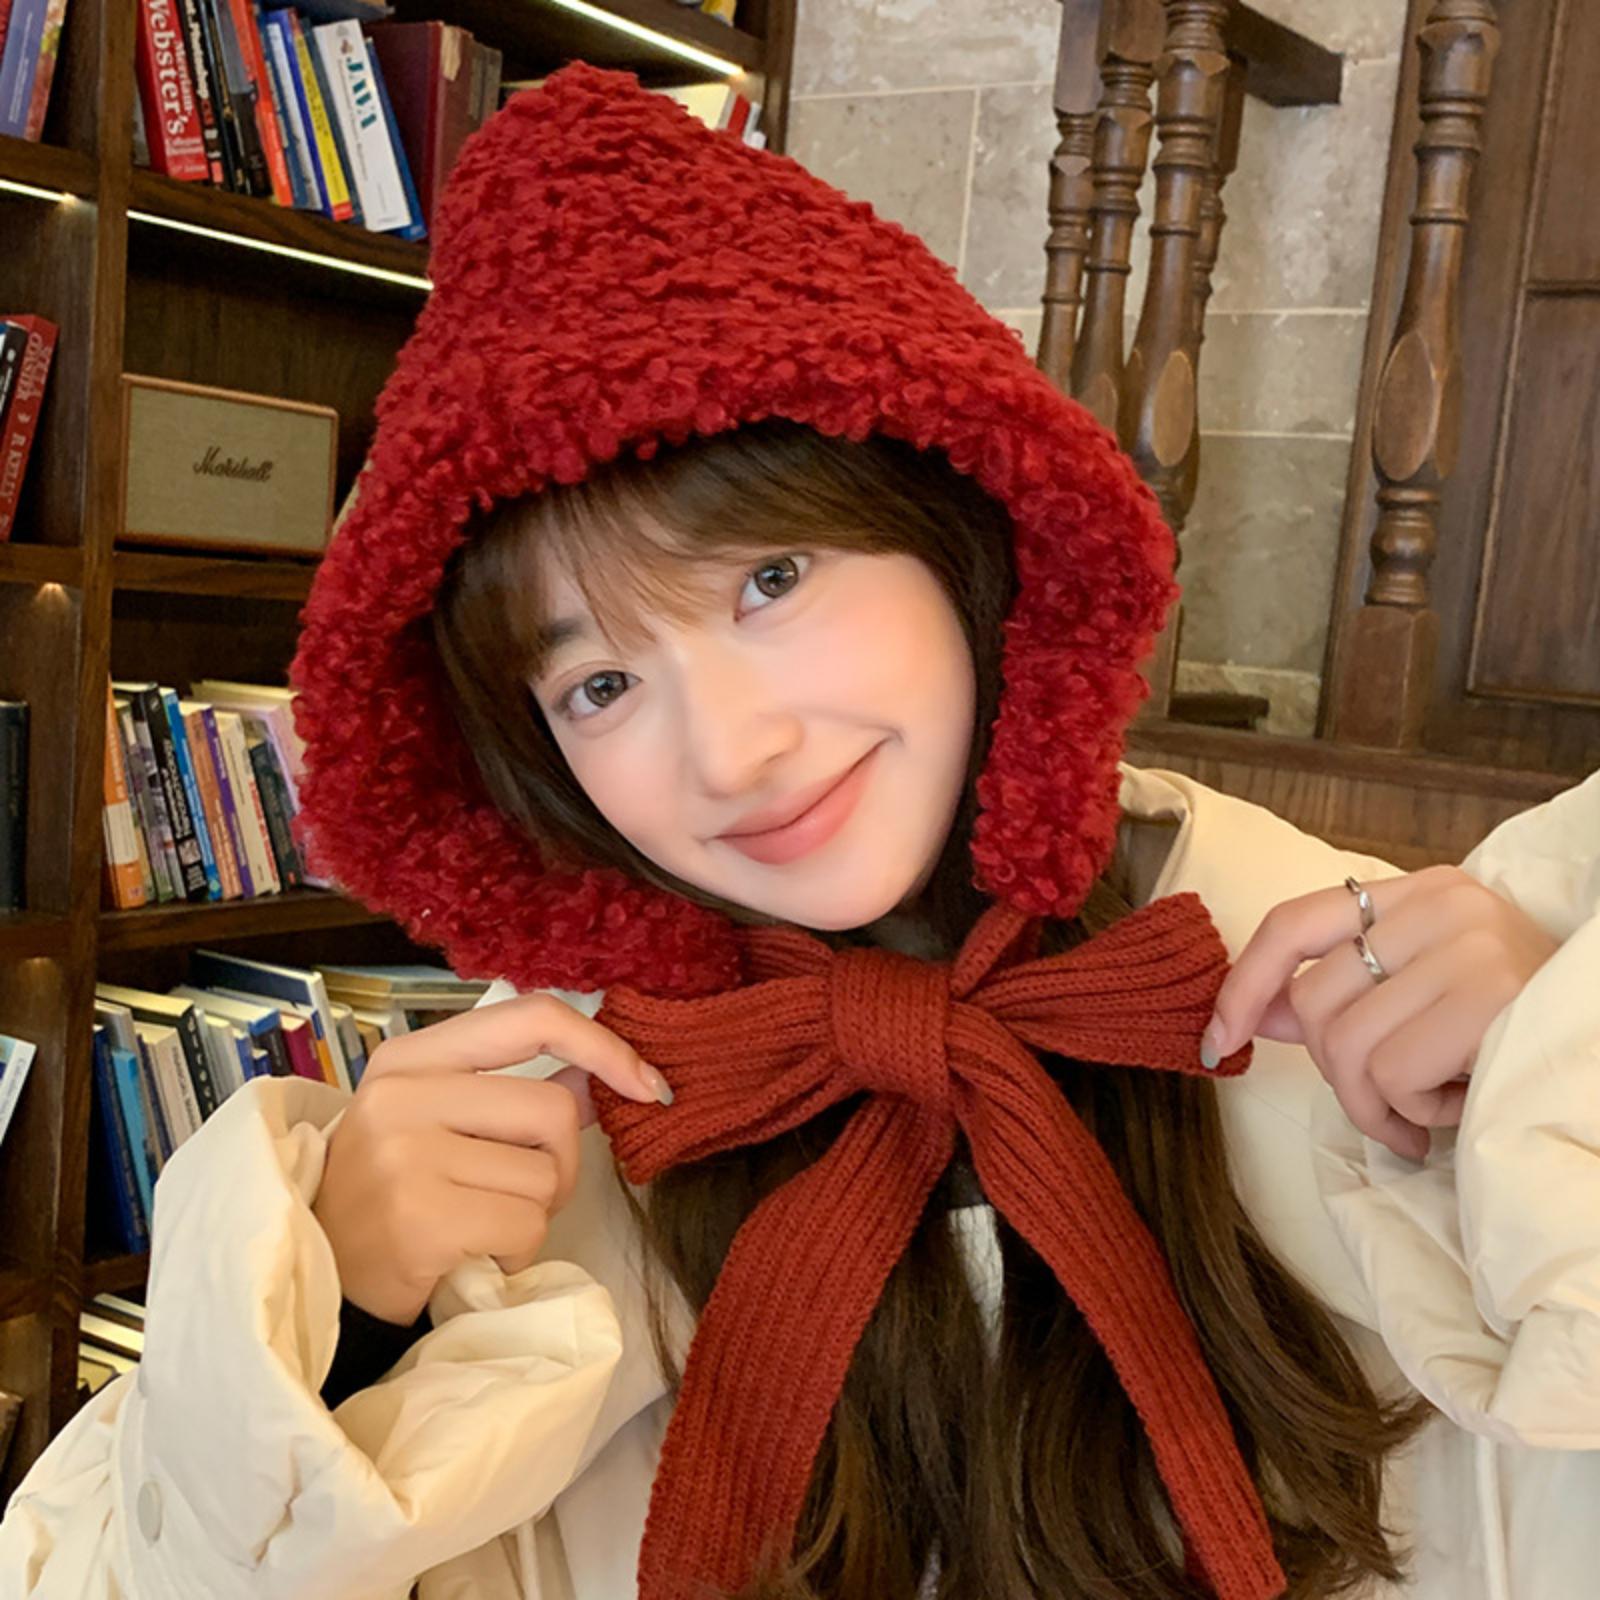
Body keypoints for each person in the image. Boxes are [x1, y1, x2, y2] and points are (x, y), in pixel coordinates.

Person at [4, 60, 1598, 1600]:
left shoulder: (1358, 995)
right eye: (603, 684)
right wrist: (340, 1319)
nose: (734, 754)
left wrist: (1555, 1071)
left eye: (771, 580)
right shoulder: (564, 1127)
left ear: (955, 517)